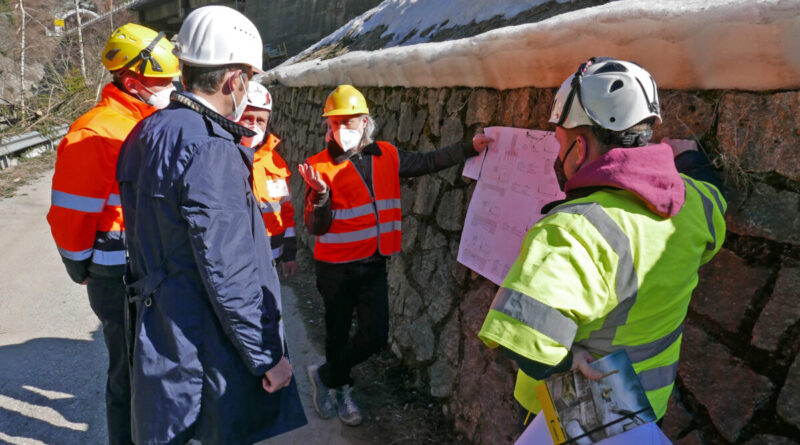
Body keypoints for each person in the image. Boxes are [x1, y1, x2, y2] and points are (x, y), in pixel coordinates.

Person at [477, 57, 727, 440]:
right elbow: (710, 187)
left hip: (574, 420)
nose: (558, 156)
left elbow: (526, 341)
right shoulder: (696, 203)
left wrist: (567, 360)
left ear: (579, 146)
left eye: (559, 143)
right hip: (645, 414)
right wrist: (689, 161)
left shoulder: (573, 229)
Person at [115, 6, 306, 444]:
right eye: (250, 77)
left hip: (163, 331)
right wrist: (267, 357)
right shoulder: (210, 147)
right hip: (204, 346)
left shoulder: (148, 131)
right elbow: (230, 270)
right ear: (232, 80)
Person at [299, 84, 492, 426]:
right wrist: (321, 195)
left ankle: (327, 375)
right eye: (335, 122)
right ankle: (341, 389)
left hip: (373, 263)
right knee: (337, 332)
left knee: (374, 334)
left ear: (365, 123)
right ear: (328, 126)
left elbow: (428, 161)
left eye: (350, 121)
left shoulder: (386, 154)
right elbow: (315, 226)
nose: (341, 128)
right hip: (335, 268)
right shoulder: (318, 167)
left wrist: (468, 148)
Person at [46, 23, 179, 445]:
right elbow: (72, 217)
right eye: (161, 81)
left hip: (151, 270)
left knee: (153, 368)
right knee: (128, 375)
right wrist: (79, 266)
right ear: (133, 80)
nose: (169, 87)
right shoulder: (97, 133)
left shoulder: (153, 121)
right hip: (118, 277)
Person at [240, 81, 298, 277]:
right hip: (239, 261)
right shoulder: (222, 158)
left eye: (260, 121)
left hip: (272, 260)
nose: (253, 126)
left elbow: (286, 210)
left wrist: (290, 254)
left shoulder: (277, 164)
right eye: (247, 118)